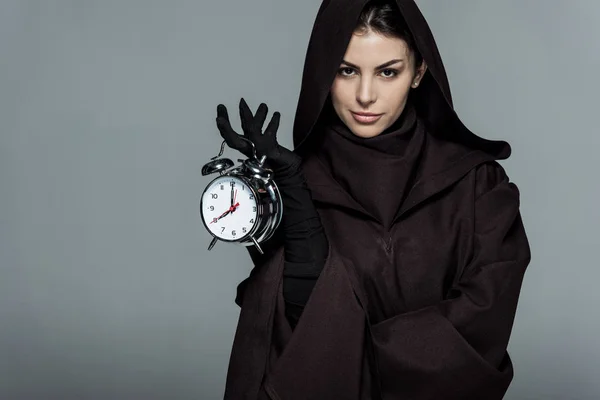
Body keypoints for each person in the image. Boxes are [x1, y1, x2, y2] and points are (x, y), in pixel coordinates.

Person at [215, 0, 531, 399]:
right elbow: (288, 330)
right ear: (323, 72)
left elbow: (481, 329)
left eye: (388, 72)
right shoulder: (295, 190)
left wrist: (350, 354)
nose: (365, 95)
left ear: (418, 72)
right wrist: (292, 198)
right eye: (347, 71)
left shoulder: (479, 188)